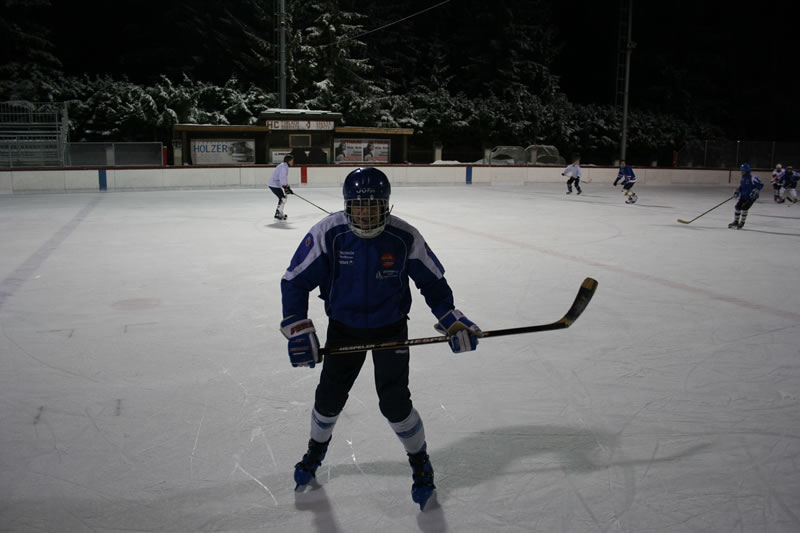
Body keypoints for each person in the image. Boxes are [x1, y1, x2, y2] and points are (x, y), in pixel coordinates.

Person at [279, 167, 482, 510]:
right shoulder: (329, 233)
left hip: (391, 328)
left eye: (374, 207)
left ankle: (420, 460)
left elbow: (432, 282)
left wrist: (450, 318)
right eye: (359, 207)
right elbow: (294, 281)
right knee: (328, 398)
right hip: (344, 328)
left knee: (394, 402)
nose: (366, 214)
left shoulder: (405, 237)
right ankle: (315, 451)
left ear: (386, 205)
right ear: (347, 206)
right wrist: (298, 325)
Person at [728, 162, 764, 229]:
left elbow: (761, 184)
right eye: (741, 170)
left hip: (751, 197)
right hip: (744, 195)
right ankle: (736, 221)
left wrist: (755, 191)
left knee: (744, 208)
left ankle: (742, 222)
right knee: (737, 207)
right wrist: (737, 191)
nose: (741, 172)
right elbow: (741, 186)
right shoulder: (743, 178)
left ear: (746, 171)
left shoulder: (752, 177)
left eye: (742, 170)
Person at [268, 155, 294, 220]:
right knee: (283, 198)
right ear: (289, 161)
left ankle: (279, 213)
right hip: (274, 185)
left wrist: (287, 187)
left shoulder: (284, 166)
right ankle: (278, 214)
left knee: (282, 198)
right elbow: (282, 177)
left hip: (274, 184)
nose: (293, 162)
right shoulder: (284, 167)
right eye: (292, 161)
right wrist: (285, 187)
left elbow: (283, 178)